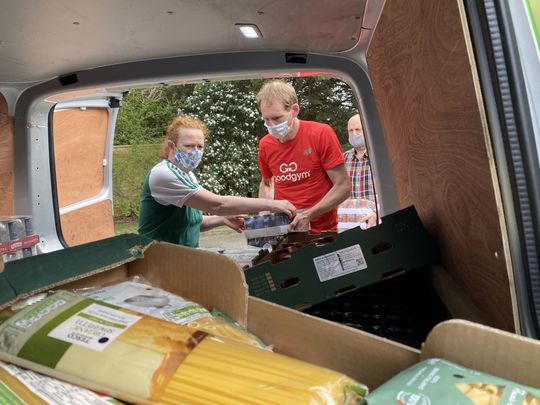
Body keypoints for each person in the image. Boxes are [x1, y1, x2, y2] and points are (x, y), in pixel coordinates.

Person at [138, 115, 296, 247]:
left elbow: (195, 223)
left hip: (181, 259)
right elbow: (217, 204)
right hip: (158, 261)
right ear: (171, 146)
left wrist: (222, 219)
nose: (196, 152)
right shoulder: (164, 174)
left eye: (200, 147)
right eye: (189, 146)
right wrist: (272, 204)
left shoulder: (187, 174)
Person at [256, 80, 350, 233]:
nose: (271, 125)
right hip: (286, 231)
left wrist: (308, 215)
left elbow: (343, 187)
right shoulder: (265, 144)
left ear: (294, 110)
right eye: (266, 119)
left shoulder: (320, 134)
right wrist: (263, 219)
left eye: (277, 118)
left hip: (322, 231)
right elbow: (267, 184)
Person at [343, 113, 377, 228]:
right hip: (352, 224)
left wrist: (378, 212)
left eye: (358, 129)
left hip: (379, 219)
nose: (354, 134)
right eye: (350, 131)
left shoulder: (380, 156)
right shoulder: (343, 159)